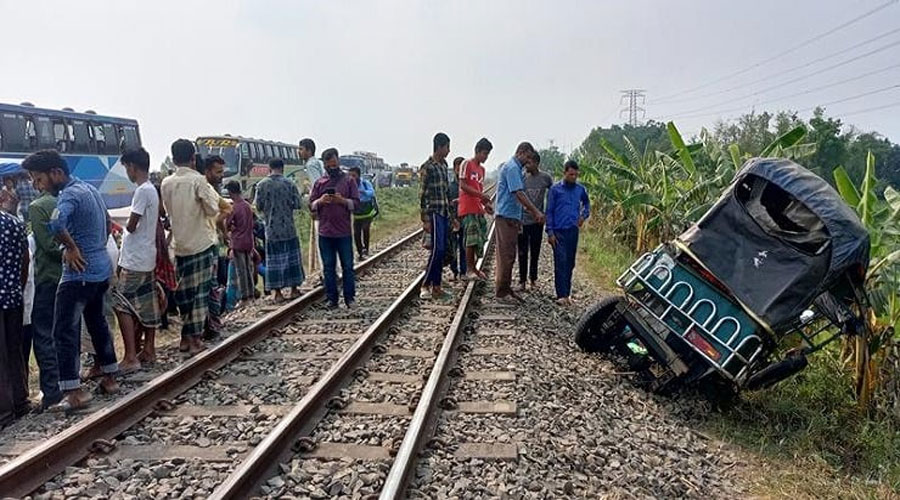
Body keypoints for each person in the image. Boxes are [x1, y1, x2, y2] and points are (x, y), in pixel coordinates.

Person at [22, 150, 119, 412]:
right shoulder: (90, 190)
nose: (36, 186)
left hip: (78, 274)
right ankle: (110, 377)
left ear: (56, 173)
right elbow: (108, 223)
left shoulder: (69, 195)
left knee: (63, 331)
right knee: (98, 323)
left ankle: (73, 391)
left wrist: (72, 247)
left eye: (38, 179)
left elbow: (55, 223)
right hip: (99, 268)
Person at [161, 139, 220, 356]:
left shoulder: (166, 183)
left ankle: (185, 338)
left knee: (183, 293)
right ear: (193, 158)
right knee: (199, 294)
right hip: (200, 243)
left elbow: (167, 211)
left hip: (179, 246)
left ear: (174, 158)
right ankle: (195, 339)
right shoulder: (198, 180)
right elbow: (213, 209)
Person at [111, 148, 160, 374]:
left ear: (132, 166)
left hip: (134, 258)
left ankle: (131, 356)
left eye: (127, 168)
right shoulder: (152, 190)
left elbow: (132, 225)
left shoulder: (141, 192)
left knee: (121, 304)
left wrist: (121, 228)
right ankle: (149, 349)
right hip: (147, 256)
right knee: (148, 303)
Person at [309, 148, 360, 309]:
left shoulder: (348, 181)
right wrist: (320, 201)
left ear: (338, 162)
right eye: (329, 166)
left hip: (344, 232)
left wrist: (342, 201)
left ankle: (349, 298)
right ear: (324, 165)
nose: (332, 168)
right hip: (325, 232)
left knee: (347, 266)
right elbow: (310, 205)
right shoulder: (319, 183)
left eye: (334, 164)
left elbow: (356, 204)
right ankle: (332, 299)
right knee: (328, 267)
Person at [494, 142, 545, 303]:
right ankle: (502, 291)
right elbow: (518, 193)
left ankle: (505, 288)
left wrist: (520, 218)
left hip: (511, 217)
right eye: (528, 157)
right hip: (506, 217)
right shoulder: (512, 168)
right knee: (506, 254)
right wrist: (535, 211)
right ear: (521, 152)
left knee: (509, 254)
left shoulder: (515, 168)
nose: (528, 161)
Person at [27, 184, 63, 408]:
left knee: (43, 335)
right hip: (66, 277)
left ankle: (51, 392)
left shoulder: (37, 206)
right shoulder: (65, 200)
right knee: (64, 332)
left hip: (47, 278)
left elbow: (48, 246)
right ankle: (69, 383)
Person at [255, 158, 305, 302]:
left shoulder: (261, 185)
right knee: (292, 259)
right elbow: (297, 204)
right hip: (289, 228)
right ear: (282, 168)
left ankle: (277, 293)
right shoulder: (290, 184)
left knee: (273, 262)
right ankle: (294, 289)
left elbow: (258, 206)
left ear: (269, 168)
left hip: (271, 230)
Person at [546, 160, 591, 306]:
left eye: (576, 175)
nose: (573, 177)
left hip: (573, 231)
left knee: (570, 263)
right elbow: (549, 211)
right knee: (561, 262)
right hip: (558, 232)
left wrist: (583, 216)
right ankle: (561, 295)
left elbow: (587, 204)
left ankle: (567, 293)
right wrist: (550, 232)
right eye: (571, 174)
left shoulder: (580, 189)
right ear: (564, 173)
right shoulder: (555, 190)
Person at [419, 133, 457, 301]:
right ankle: (426, 285)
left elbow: (447, 192)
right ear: (440, 147)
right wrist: (425, 219)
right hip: (433, 212)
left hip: (444, 213)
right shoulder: (427, 167)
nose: (449, 151)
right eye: (447, 147)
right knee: (437, 250)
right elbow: (422, 194)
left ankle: (437, 286)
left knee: (441, 251)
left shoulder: (444, 166)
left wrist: (453, 216)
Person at [0, 206, 29, 425]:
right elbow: (25, 259)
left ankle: (4, 411)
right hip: (13, 296)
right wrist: (17, 286)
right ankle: (20, 402)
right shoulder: (15, 223)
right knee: (14, 350)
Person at [200, 156, 230, 339]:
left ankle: (211, 325)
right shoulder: (205, 187)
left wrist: (216, 225)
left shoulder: (210, 189)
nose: (221, 176)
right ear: (208, 171)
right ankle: (211, 324)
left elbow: (227, 209)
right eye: (218, 172)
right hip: (207, 243)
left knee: (210, 285)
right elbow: (226, 209)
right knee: (209, 286)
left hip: (209, 243)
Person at [458, 138, 494, 282]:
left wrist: (486, 204)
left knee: (478, 239)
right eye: (484, 153)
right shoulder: (466, 164)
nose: (486, 157)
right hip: (467, 207)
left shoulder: (482, 170)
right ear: (477, 151)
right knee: (471, 240)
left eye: (488, 154)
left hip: (477, 207)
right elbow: (463, 185)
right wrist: (481, 195)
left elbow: (479, 189)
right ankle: (469, 269)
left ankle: (474, 268)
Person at [518, 153, 553, 291]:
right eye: (526, 163)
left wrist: (548, 213)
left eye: (530, 163)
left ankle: (533, 279)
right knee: (522, 252)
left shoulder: (545, 178)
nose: (527, 165)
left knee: (535, 252)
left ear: (537, 163)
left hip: (537, 222)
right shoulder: (522, 178)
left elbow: (553, 192)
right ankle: (522, 281)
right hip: (523, 221)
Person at [225, 180, 257, 305]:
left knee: (241, 270)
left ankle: (244, 297)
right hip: (249, 241)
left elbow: (227, 224)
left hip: (238, 242)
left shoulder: (234, 207)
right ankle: (251, 294)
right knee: (248, 269)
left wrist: (230, 227)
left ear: (231, 192)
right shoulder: (247, 206)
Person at [299, 138, 324, 274]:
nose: (299, 152)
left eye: (301, 149)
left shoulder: (310, 165)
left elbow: (317, 185)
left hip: (319, 207)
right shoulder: (318, 162)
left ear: (309, 150)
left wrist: (312, 202)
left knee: (321, 240)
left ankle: (324, 273)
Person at [348, 166, 377, 259]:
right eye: (350, 175)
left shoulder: (365, 183)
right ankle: (360, 252)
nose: (352, 178)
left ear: (358, 175)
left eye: (354, 175)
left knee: (365, 229)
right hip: (357, 213)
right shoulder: (349, 185)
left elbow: (372, 192)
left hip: (367, 212)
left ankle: (366, 249)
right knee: (356, 233)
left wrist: (363, 192)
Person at [447, 157, 465, 281]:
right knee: (453, 248)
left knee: (464, 247)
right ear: (454, 169)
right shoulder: (450, 186)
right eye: (458, 168)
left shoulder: (467, 186)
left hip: (465, 220)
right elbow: (447, 204)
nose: (460, 170)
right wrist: (452, 219)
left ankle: (463, 271)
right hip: (453, 220)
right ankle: (454, 271)